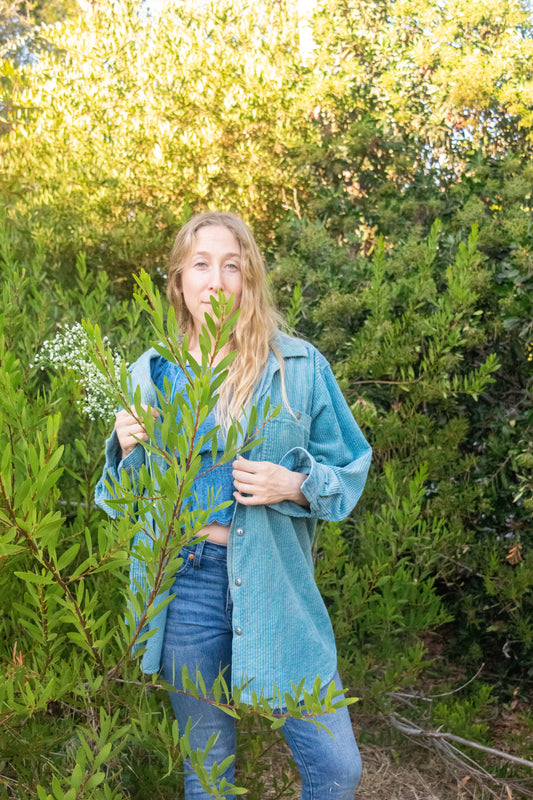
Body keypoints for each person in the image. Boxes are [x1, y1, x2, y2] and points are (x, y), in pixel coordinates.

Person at [95, 211, 372, 800]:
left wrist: (292, 485)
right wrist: (124, 450)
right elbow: (121, 503)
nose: (216, 279)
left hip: (276, 585)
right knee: (209, 778)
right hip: (184, 586)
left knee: (338, 769)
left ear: (249, 277)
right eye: (201, 264)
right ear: (179, 281)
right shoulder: (152, 375)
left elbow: (349, 469)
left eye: (231, 264)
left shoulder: (297, 368)